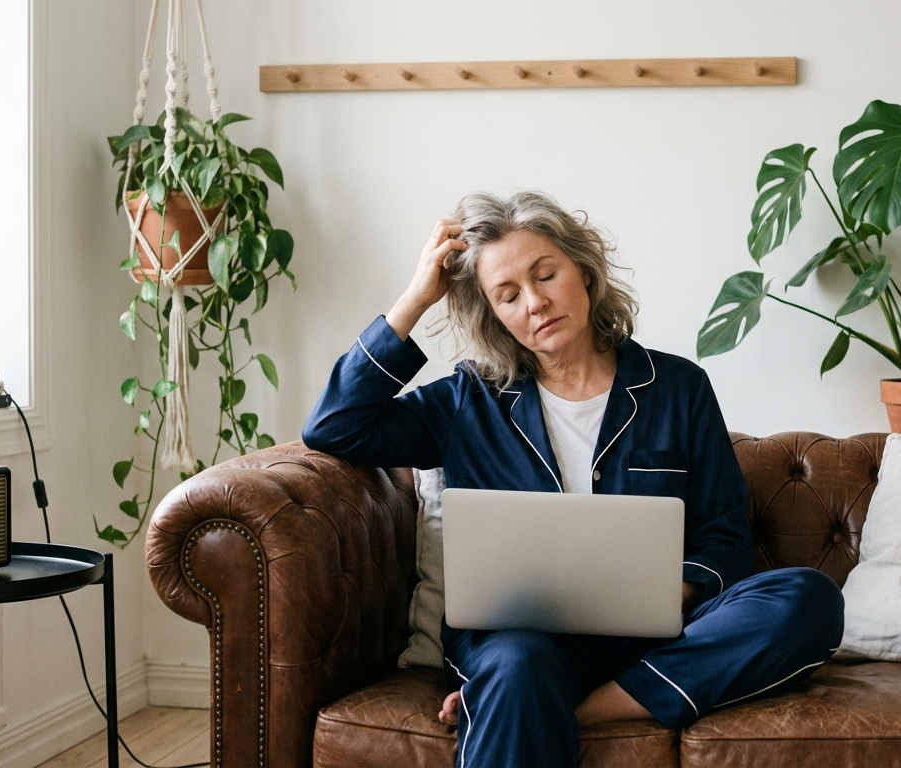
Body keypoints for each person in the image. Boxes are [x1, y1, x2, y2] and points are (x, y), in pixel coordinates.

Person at [302, 191, 844, 768]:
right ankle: (523, 694)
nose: (534, 303)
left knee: (807, 599)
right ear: (495, 315)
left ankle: (568, 708)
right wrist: (415, 299)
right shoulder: (469, 398)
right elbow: (335, 426)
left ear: (583, 273)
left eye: (546, 275)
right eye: (508, 296)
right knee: (516, 666)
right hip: (516, 641)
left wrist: (663, 596)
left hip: (658, 637)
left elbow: (725, 536)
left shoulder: (677, 386)